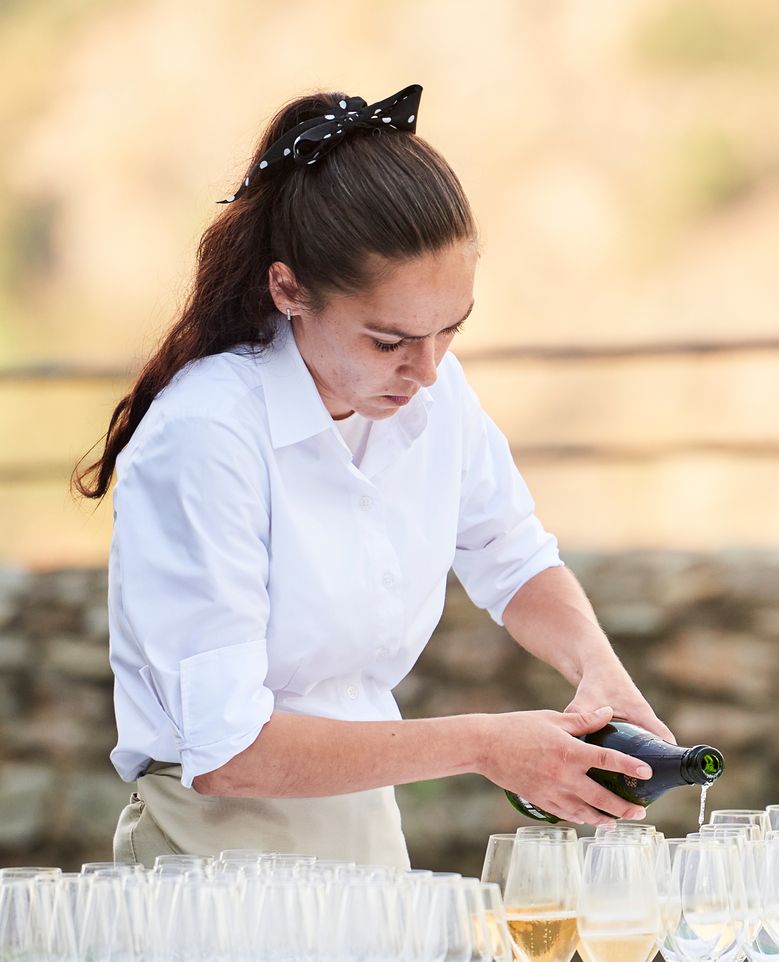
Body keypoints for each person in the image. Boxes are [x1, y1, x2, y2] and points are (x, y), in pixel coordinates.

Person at [76, 84, 671, 867]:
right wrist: (488, 744)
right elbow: (227, 754)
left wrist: (600, 669)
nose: (425, 371)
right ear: (287, 289)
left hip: (368, 848)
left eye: (449, 331)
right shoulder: (207, 435)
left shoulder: (434, 392)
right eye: (389, 340)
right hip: (211, 867)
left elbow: (512, 554)